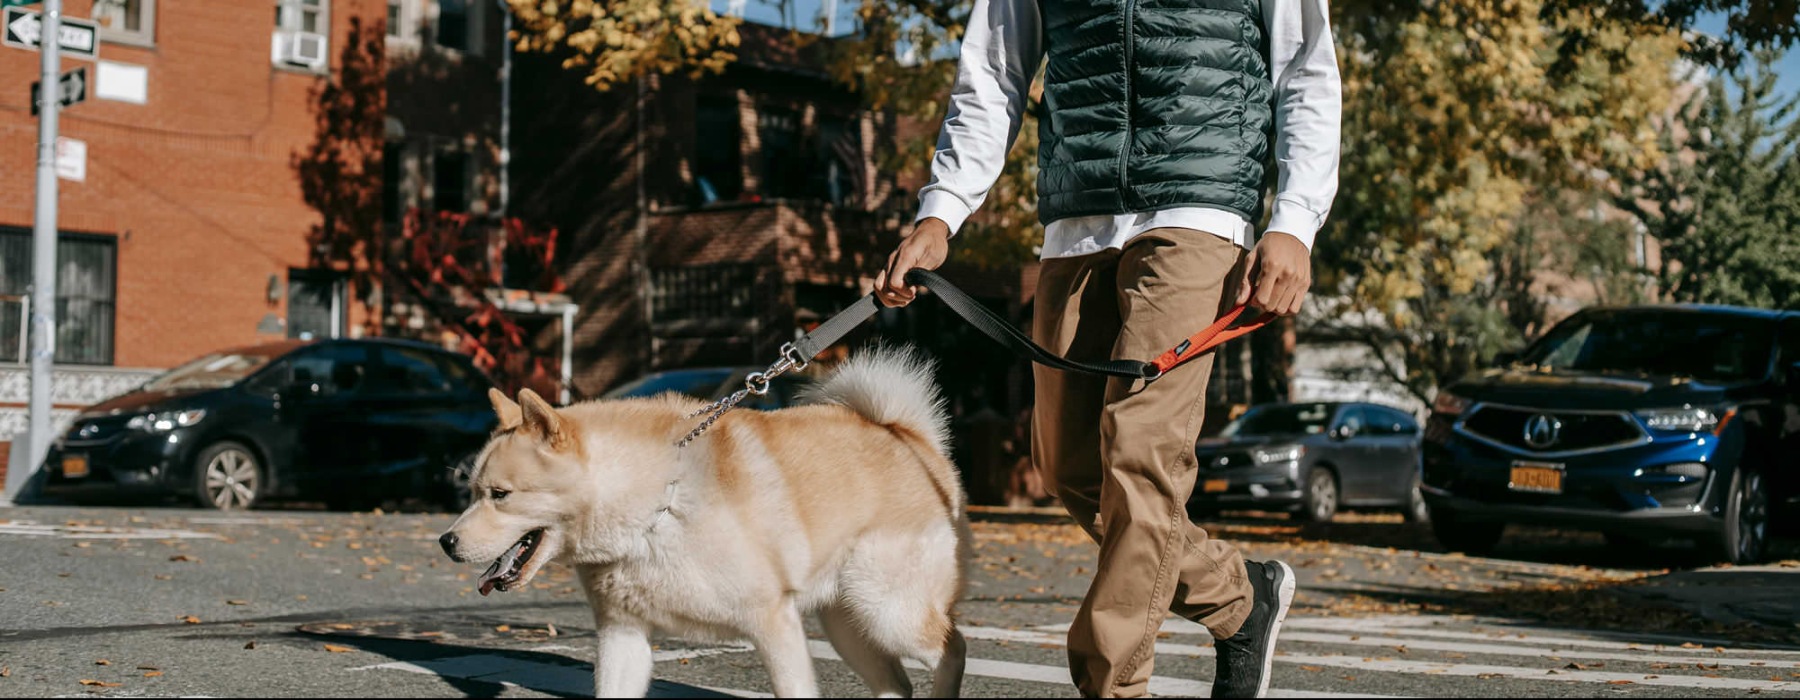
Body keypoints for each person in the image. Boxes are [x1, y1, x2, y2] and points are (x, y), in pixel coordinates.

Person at [874, 0, 1340, 695]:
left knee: (1140, 455)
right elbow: (994, 70)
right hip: (1078, 216)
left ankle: (1111, 686)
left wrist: (1295, 220)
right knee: (1066, 465)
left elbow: (1304, 68)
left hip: (1199, 206)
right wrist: (943, 210)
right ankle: (1236, 597)